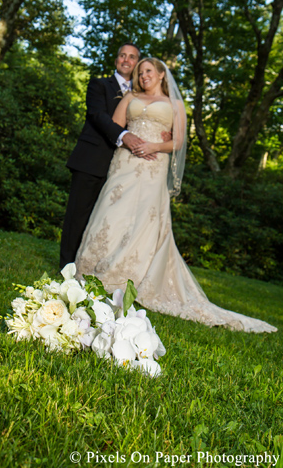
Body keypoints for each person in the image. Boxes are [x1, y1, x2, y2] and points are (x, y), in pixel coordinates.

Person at [75, 57, 276, 333]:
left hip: (153, 166)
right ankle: (91, 268)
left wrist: (154, 145)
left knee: (144, 219)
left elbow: (179, 141)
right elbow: (116, 127)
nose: (142, 75)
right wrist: (129, 141)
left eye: (147, 71)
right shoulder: (129, 97)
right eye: (139, 72)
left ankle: (126, 275)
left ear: (160, 75)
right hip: (125, 163)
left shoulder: (176, 105)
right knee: (112, 213)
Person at [60, 43, 171, 269]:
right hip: (93, 159)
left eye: (132, 57)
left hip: (129, 168)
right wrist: (125, 135)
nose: (126, 60)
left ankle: (101, 267)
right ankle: (67, 269)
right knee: (79, 215)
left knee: (111, 220)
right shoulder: (100, 84)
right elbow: (98, 115)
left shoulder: (144, 92)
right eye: (122, 56)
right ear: (116, 60)